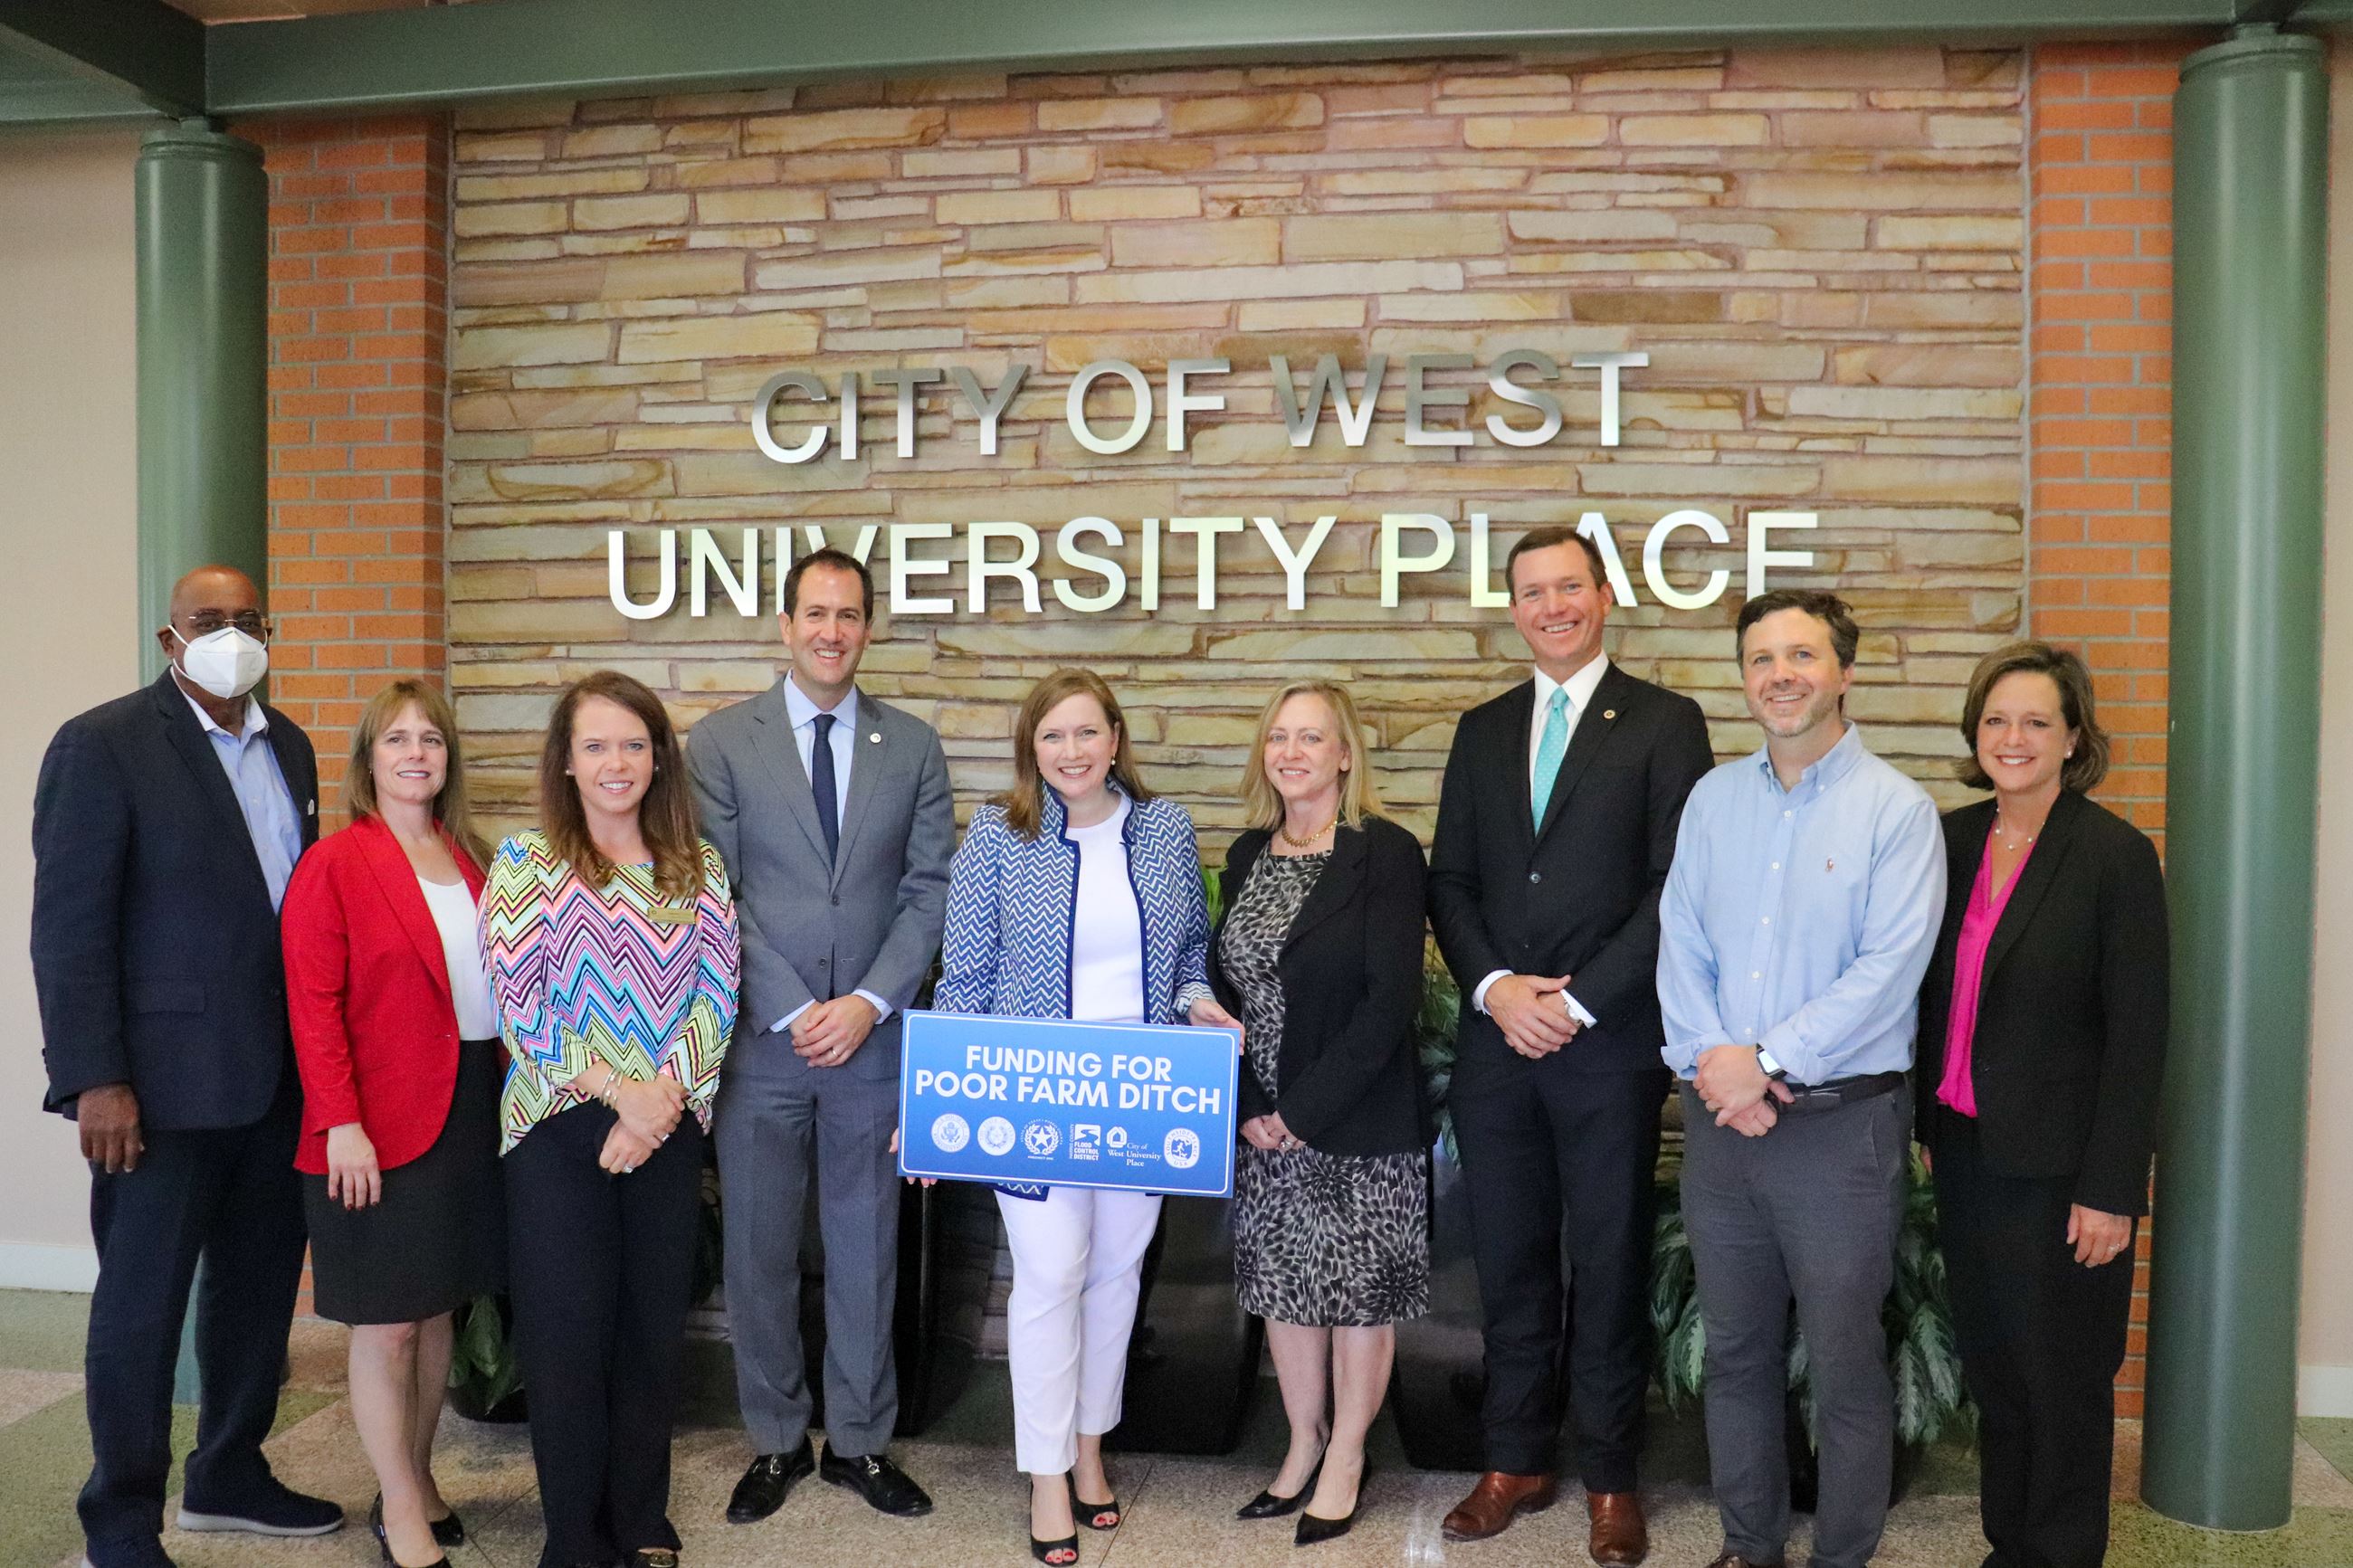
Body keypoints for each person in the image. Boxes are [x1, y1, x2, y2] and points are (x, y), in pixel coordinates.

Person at [31, 565, 340, 1568]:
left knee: (254, 1293)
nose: (231, 634)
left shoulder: (288, 744)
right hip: (154, 1092)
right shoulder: (104, 743)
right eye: (210, 620)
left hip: (276, 1079)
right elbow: (68, 930)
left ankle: (227, 1471)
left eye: (248, 620)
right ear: (171, 639)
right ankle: (121, 1518)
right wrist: (94, 1077)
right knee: (141, 1307)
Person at [1427, 525, 1714, 1563]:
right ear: (1511, 607)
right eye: (1531, 591)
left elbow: (1673, 886)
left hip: (1606, 1046)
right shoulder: (1482, 726)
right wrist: (1499, 990)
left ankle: (1609, 1474)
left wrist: (1579, 1000)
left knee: (1606, 1262)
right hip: (1499, 1046)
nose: (1551, 606)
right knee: (1507, 1263)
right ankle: (1513, 1458)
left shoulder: (1664, 722)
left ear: (1602, 596)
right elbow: (1449, 880)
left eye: (1569, 587)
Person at [1657, 588, 1945, 1568]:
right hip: (1720, 1126)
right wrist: (1713, 1067)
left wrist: (1764, 1063)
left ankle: (1840, 1556)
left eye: (1801, 655)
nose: (1779, 673)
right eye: (1760, 658)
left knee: (1843, 1362)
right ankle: (1748, 1544)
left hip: (1838, 1132)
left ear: (1842, 671)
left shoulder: (1895, 810)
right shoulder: (1711, 799)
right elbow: (1679, 943)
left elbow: (1887, 970)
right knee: (1734, 1354)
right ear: (1743, 678)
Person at [932, 668, 1242, 1566]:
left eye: (1084, 732)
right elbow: (964, 972)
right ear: (1031, 748)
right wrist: (937, 1102)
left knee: (1113, 1273)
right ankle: (1043, 1474)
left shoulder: (1163, 827)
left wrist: (1198, 1003)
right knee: (1048, 1270)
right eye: (1050, 737)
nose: (1069, 751)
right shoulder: (997, 833)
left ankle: (1089, 1447)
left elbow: (1188, 948)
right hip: (1033, 1090)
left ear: (1114, 737)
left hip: (1139, 1091)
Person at [688, 546, 953, 1524]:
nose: (830, 630)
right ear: (785, 624)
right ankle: (771, 1440)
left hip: (873, 1046)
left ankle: (859, 1442)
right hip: (765, 1040)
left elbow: (928, 890)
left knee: (865, 1247)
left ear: (868, 627)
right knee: (756, 1249)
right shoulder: (721, 741)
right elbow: (715, 886)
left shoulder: (912, 745)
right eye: (814, 612)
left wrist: (871, 1002)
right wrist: (800, 1005)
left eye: (848, 613)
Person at [1914, 641, 2167, 1568]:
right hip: (1965, 1148)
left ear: (2071, 739)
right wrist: (1922, 1123)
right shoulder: (1947, 839)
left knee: (2060, 1374)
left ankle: (2058, 1552)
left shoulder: (2112, 856)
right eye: (1993, 719)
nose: (2010, 737)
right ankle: (2009, 1544)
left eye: (2033, 721)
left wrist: (2110, 1188)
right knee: (1994, 1366)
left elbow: (2138, 1036)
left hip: (2065, 1169)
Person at [481, 671, 740, 1568]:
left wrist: (660, 1098)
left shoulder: (695, 861)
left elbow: (717, 991)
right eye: (595, 744)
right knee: (566, 1339)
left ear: (658, 756)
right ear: (565, 760)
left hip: (663, 1131)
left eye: (633, 742)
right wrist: (616, 1090)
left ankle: (641, 1514)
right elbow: (520, 1007)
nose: (615, 761)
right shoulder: (524, 861)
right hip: (557, 1130)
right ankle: (573, 1534)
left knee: (647, 1333)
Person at [281, 679, 504, 1568]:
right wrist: (340, 1119)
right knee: (388, 1323)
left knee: (438, 1308)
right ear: (368, 759)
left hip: (468, 1113)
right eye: (397, 738)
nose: (417, 752)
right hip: (371, 1127)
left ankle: (413, 1475)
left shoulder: (474, 858)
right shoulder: (336, 861)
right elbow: (314, 1003)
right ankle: (401, 1507)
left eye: (432, 739)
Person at [1208, 679, 1431, 1547]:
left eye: (1312, 737)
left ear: (1345, 754)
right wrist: (1255, 1105)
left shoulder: (1385, 851)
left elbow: (1389, 1000)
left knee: (1357, 1294)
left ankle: (1347, 1454)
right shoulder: (1245, 853)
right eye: (1279, 738)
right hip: (1261, 1117)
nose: (1292, 752)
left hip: (1356, 1113)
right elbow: (1227, 992)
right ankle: (1300, 1445)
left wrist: (1303, 1110)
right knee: (1284, 1289)